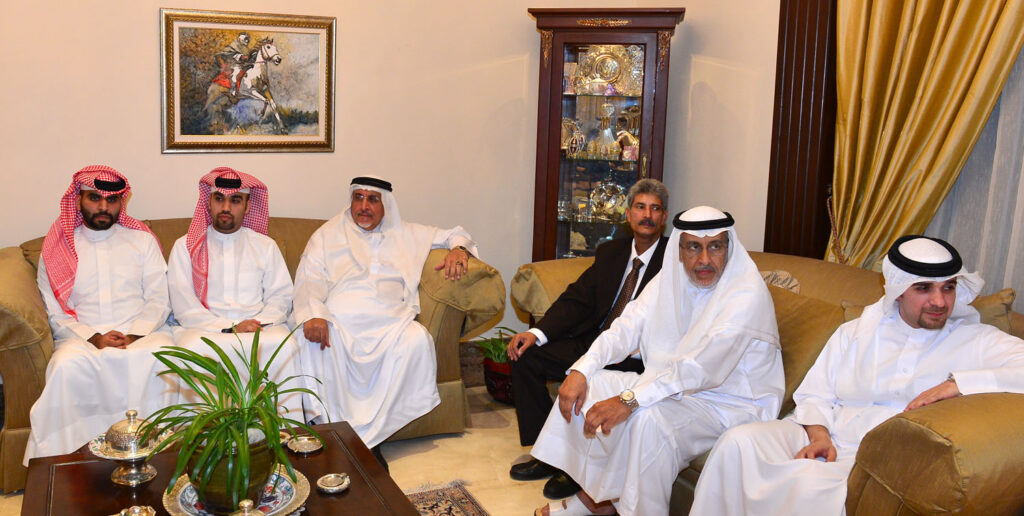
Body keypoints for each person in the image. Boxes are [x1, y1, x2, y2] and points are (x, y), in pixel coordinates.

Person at [690, 235, 1024, 516]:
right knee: (738, 443)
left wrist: (958, 384)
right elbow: (816, 393)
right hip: (825, 432)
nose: (939, 301)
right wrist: (819, 437)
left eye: (948, 288)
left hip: (881, 457)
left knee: (808, 483)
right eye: (924, 288)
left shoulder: (975, 340)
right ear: (899, 290)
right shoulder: (857, 332)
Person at [530, 206, 785, 516]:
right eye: (694, 247)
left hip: (729, 405)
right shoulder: (671, 277)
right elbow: (626, 327)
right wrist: (582, 369)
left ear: (728, 248)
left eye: (715, 246)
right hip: (675, 387)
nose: (704, 259)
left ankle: (618, 508)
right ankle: (599, 499)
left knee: (649, 420)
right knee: (595, 383)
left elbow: (701, 368)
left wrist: (629, 400)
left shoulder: (746, 293)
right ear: (679, 249)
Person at [292, 175, 478, 467]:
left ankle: (370, 438)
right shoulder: (327, 235)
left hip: (391, 322)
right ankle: (339, 433)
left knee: (416, 341)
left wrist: (459, 249)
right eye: (358, 198)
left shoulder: (406, 233)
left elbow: (456, 233)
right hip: (340, 321)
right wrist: (315, 314)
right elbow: (309, 278)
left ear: (386, 205)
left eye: (372, 199)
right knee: (312, 342)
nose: (364, 206)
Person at [507, 178, 670, 499]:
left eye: (655, 209)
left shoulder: (675, 260)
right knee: (526, 356)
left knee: (593, 380)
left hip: (636, 357)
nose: (647, 215)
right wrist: (536, 333)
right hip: (595, 343)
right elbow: (577, 299)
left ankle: (575, 469)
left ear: (664, 217)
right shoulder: (611, 252)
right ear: (628, 214)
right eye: (640, 207)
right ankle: (546, 452)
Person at [25, 165, 175, 464]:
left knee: (167, 358)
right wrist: (94, 337)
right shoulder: (56, 250)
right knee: (65, 367)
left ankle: (166, 456)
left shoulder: (142, 241)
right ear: (79, 199)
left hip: (142, 334)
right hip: (81, 339)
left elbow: (160, 298)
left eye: (112, 199)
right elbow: (55, 313)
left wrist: (134, 334)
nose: (104, 207)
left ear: (122, 202)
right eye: (95, 198)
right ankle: (68, 464)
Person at [167, 167, 306, 420]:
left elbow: (281, 297)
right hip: (206, 329)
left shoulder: (265, 246)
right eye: (219, 198)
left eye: (235, 200)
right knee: (191, 348)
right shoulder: (185, 246)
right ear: (208, 202)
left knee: (286, 348)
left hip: (258, 328)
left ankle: (284, 430)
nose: (226, 207)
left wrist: (256, 323)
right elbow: (184, 306)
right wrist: (229, 327)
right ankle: (202, 433)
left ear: (248, 206)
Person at [216, 32, 251, 97]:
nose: (247, 41)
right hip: (234, 65)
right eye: (245, 39)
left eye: (247, 39)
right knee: (236, 74)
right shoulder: (233, 45)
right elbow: (227, 53)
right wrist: (240, 56)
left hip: (244, 66)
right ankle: (233, 90)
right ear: (240, 39)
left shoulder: (246, 48)